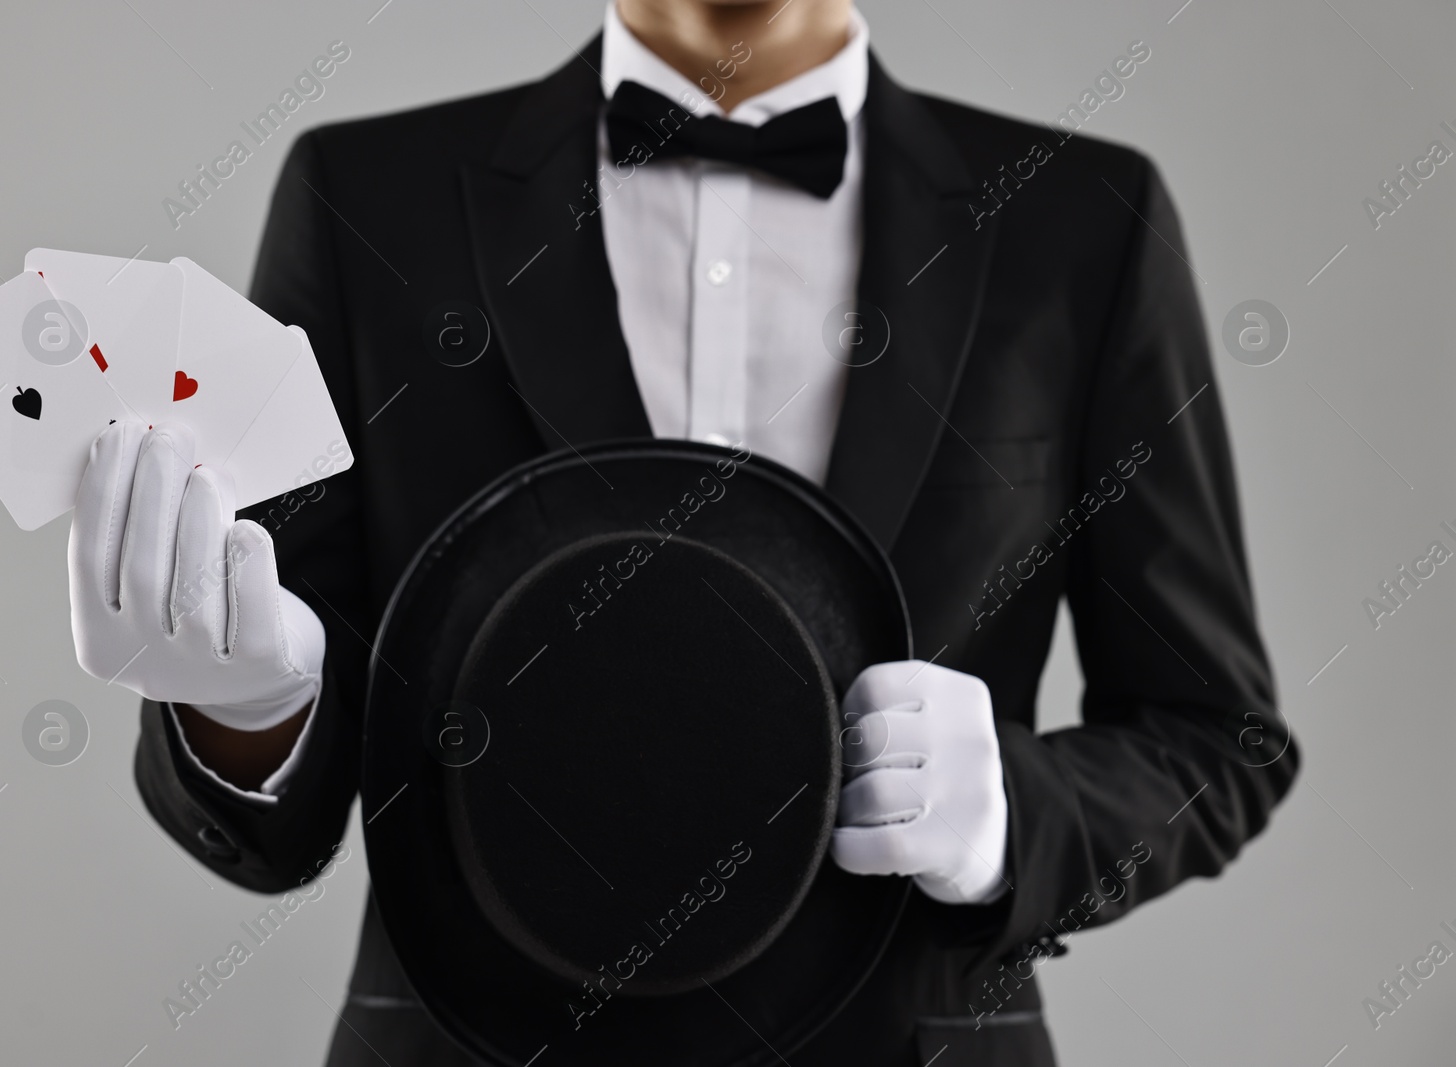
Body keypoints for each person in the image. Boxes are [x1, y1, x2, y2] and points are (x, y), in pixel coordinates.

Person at [67, 1, 1298, 1063]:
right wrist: (247, 705)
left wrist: (1012, 818)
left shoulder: (1083, 217)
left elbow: (1220, 737)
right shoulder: (362, 194)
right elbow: (289, 798)